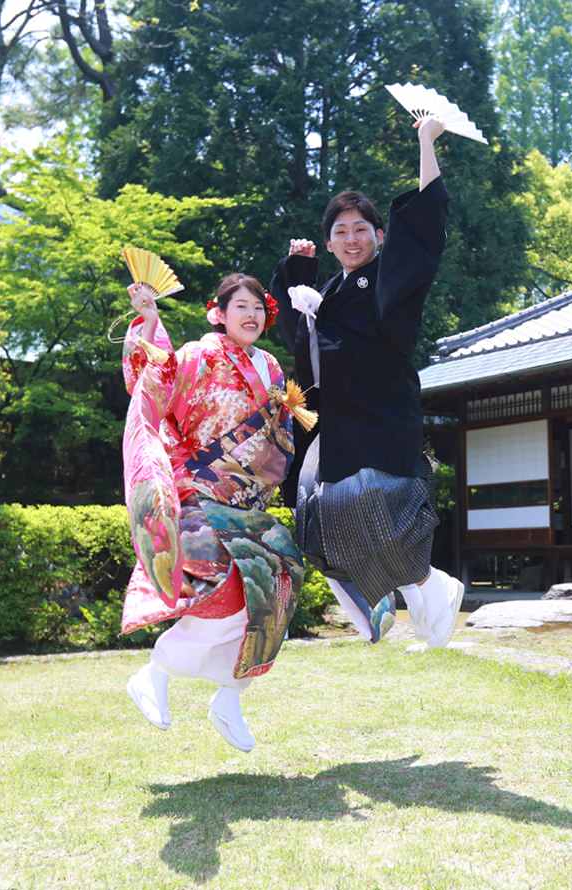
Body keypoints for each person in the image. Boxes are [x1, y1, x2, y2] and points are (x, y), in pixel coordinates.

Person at [269, 114, 464, 647]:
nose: (351, 238)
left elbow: (423, 230)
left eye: (361, 229)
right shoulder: (329, 290)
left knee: (383, 506)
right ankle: (417, 592)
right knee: (319, 521)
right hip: (338, 427)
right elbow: (298, 338)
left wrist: (425, 143)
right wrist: (296, 273)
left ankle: (427, 584)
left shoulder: (386, 278)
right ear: (329, 242)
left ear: (380, 236)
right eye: (340, 231)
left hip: (382, 417)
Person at [120, 273, 306, 753]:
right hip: (197, 491)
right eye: (240, 306)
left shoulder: (271, 370)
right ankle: (157, 670)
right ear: (217, 314)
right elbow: (151, 375)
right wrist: (149, 318)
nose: (252, 316)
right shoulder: (197, 355)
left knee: (277, 583)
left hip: (247, 501)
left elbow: (278, 441)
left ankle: (231, 695)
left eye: (259, 309)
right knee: (218, 579)